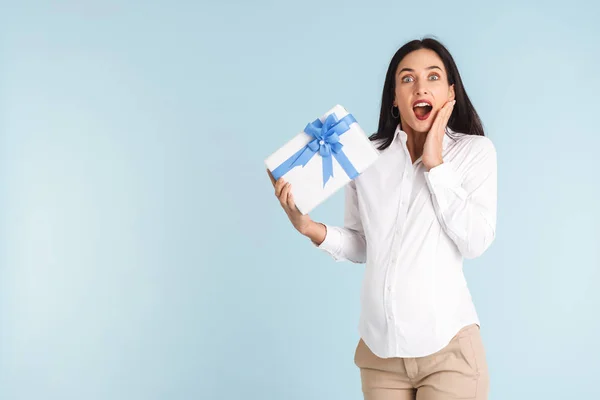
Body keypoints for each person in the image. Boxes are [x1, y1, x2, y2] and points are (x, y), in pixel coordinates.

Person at [267, 37, 497, 400]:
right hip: (380, 354)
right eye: (407, 79)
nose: (420, 87)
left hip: (448, 349)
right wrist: (309, 227)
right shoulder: (366, 158)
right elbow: (362, 243)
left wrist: (435, 163)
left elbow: (476, 242)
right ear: (394, 96)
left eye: (433, 77)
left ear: (451, 92)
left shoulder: (474, 152)